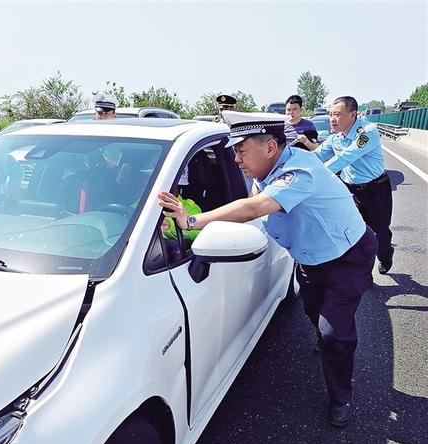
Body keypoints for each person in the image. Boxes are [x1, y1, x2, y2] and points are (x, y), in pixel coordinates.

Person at [158, 111, 377, 427]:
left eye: (241, 151)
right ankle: (328, 345)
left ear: (271, 147)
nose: (236, 160)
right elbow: (254, 199)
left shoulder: (299, 171)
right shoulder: (266, 171)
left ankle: (341, 396)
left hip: (347, 257)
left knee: (334, 333)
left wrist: (190, 220)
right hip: (311, 260)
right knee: (313, 311)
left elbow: (254, 208)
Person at [314, 96, 394, 274]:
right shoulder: (335, 137)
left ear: (353, 115)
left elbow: (345, 158)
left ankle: (386, 255)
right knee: (352, 231)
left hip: (375, 189)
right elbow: (317, 156)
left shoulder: (367, 132)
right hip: (349, 189)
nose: (332, 119)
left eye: (337, 114)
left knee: (380, 231)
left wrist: (315, 175)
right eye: (331, 114)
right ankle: (362, 274)